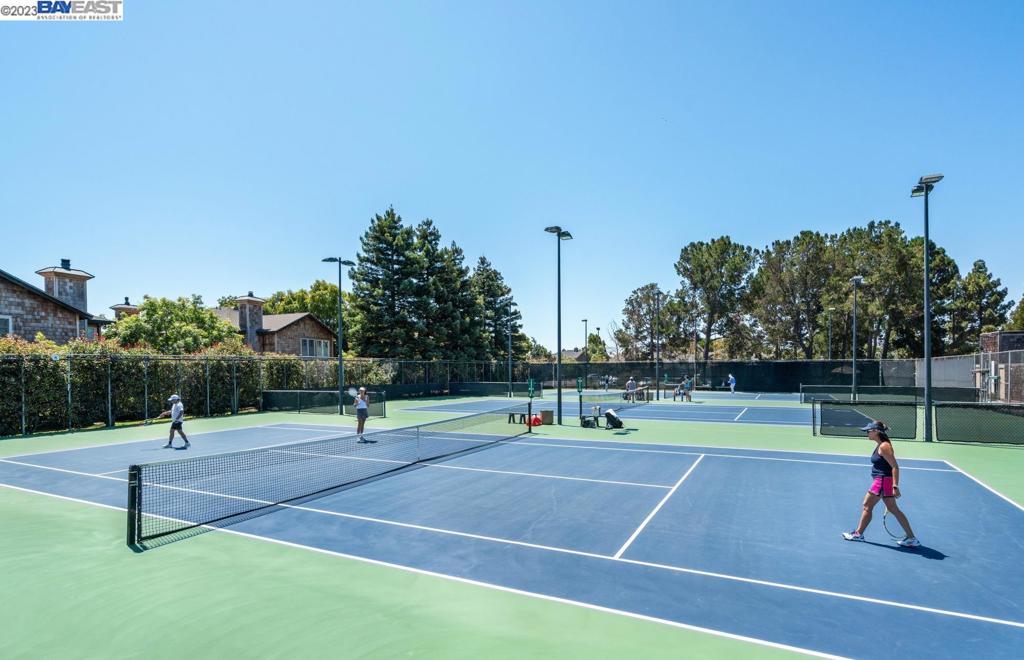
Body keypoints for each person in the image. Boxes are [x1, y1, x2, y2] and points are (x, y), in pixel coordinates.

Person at [842, 420, 920, 547]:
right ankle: (912, 538)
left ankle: (858, 534)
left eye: (868, 430)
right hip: (884, 480)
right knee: (893, 509)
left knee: (867, 505)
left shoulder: (884, 446)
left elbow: (895, 466)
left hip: (882, 480)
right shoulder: (881, 445)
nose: (866, 433)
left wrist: (895, 486)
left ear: (876, 431)